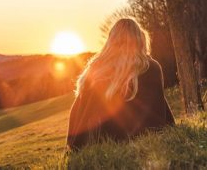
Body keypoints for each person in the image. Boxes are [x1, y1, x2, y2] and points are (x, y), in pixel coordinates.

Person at [66, 18, 175, 151]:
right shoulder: (150, 67)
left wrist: (75, 144)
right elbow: (157, 112)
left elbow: (78, 113)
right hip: (138, 140)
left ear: (111, 41)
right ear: (139, 39)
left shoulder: (95, 70)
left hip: (95, 144)